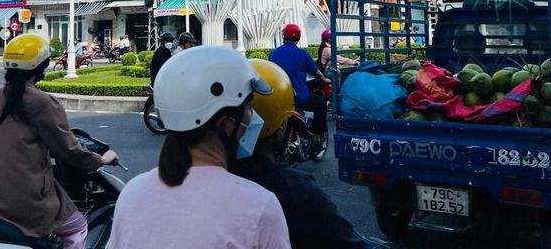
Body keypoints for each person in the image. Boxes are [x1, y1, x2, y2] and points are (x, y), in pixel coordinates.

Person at [108, 46, 290, 249]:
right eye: (249, 108)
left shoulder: (132, 193)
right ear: (226, 124)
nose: (254, 118)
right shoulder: (259, 206)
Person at [0, 34, 119, 249]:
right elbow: (68, 149)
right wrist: (101, 159)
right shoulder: (43, 102)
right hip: (20, 201)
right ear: (41, 66)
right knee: (76, 226)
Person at [235, 59, 380, 249]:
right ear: (281, 127)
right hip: (302, 96)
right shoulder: (295, 191)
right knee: (320, 105)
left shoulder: (209, 177)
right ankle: (318, 137)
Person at [270, 24, 330, 151]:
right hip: (300, 99)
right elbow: (317, 73)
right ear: (298, 37)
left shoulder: (274, 54)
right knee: (321, 103)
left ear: (284, 36)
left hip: (279, 98)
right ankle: (317, 139)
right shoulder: (303, 54)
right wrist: (326, 80)